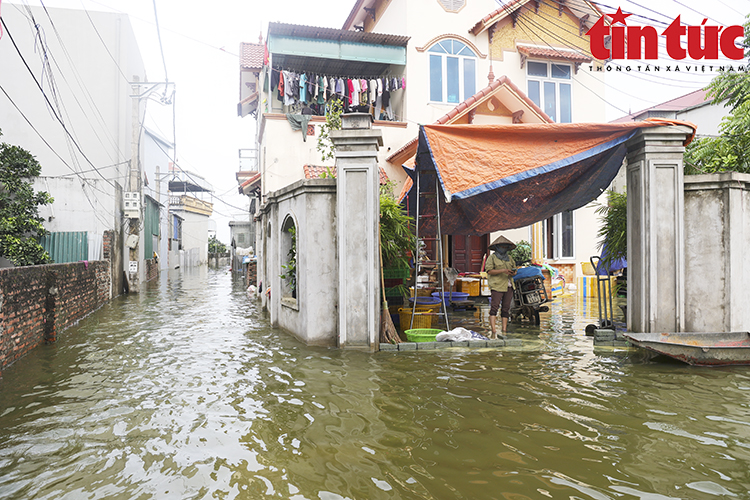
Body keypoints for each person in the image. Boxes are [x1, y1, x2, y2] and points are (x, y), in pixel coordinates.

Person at [484, 235, 517, 338]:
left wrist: (513, 272)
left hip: (509, 285)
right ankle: (494, 330)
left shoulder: (510, 258)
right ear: (497, 247)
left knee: (506, 308)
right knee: (494, 307)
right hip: (497, 285)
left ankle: (504, 329)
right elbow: (489, 271)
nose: (504, 248)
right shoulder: (492, 258)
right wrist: (503, 270)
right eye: (502, 246)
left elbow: (514, 269)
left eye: (505, 247)